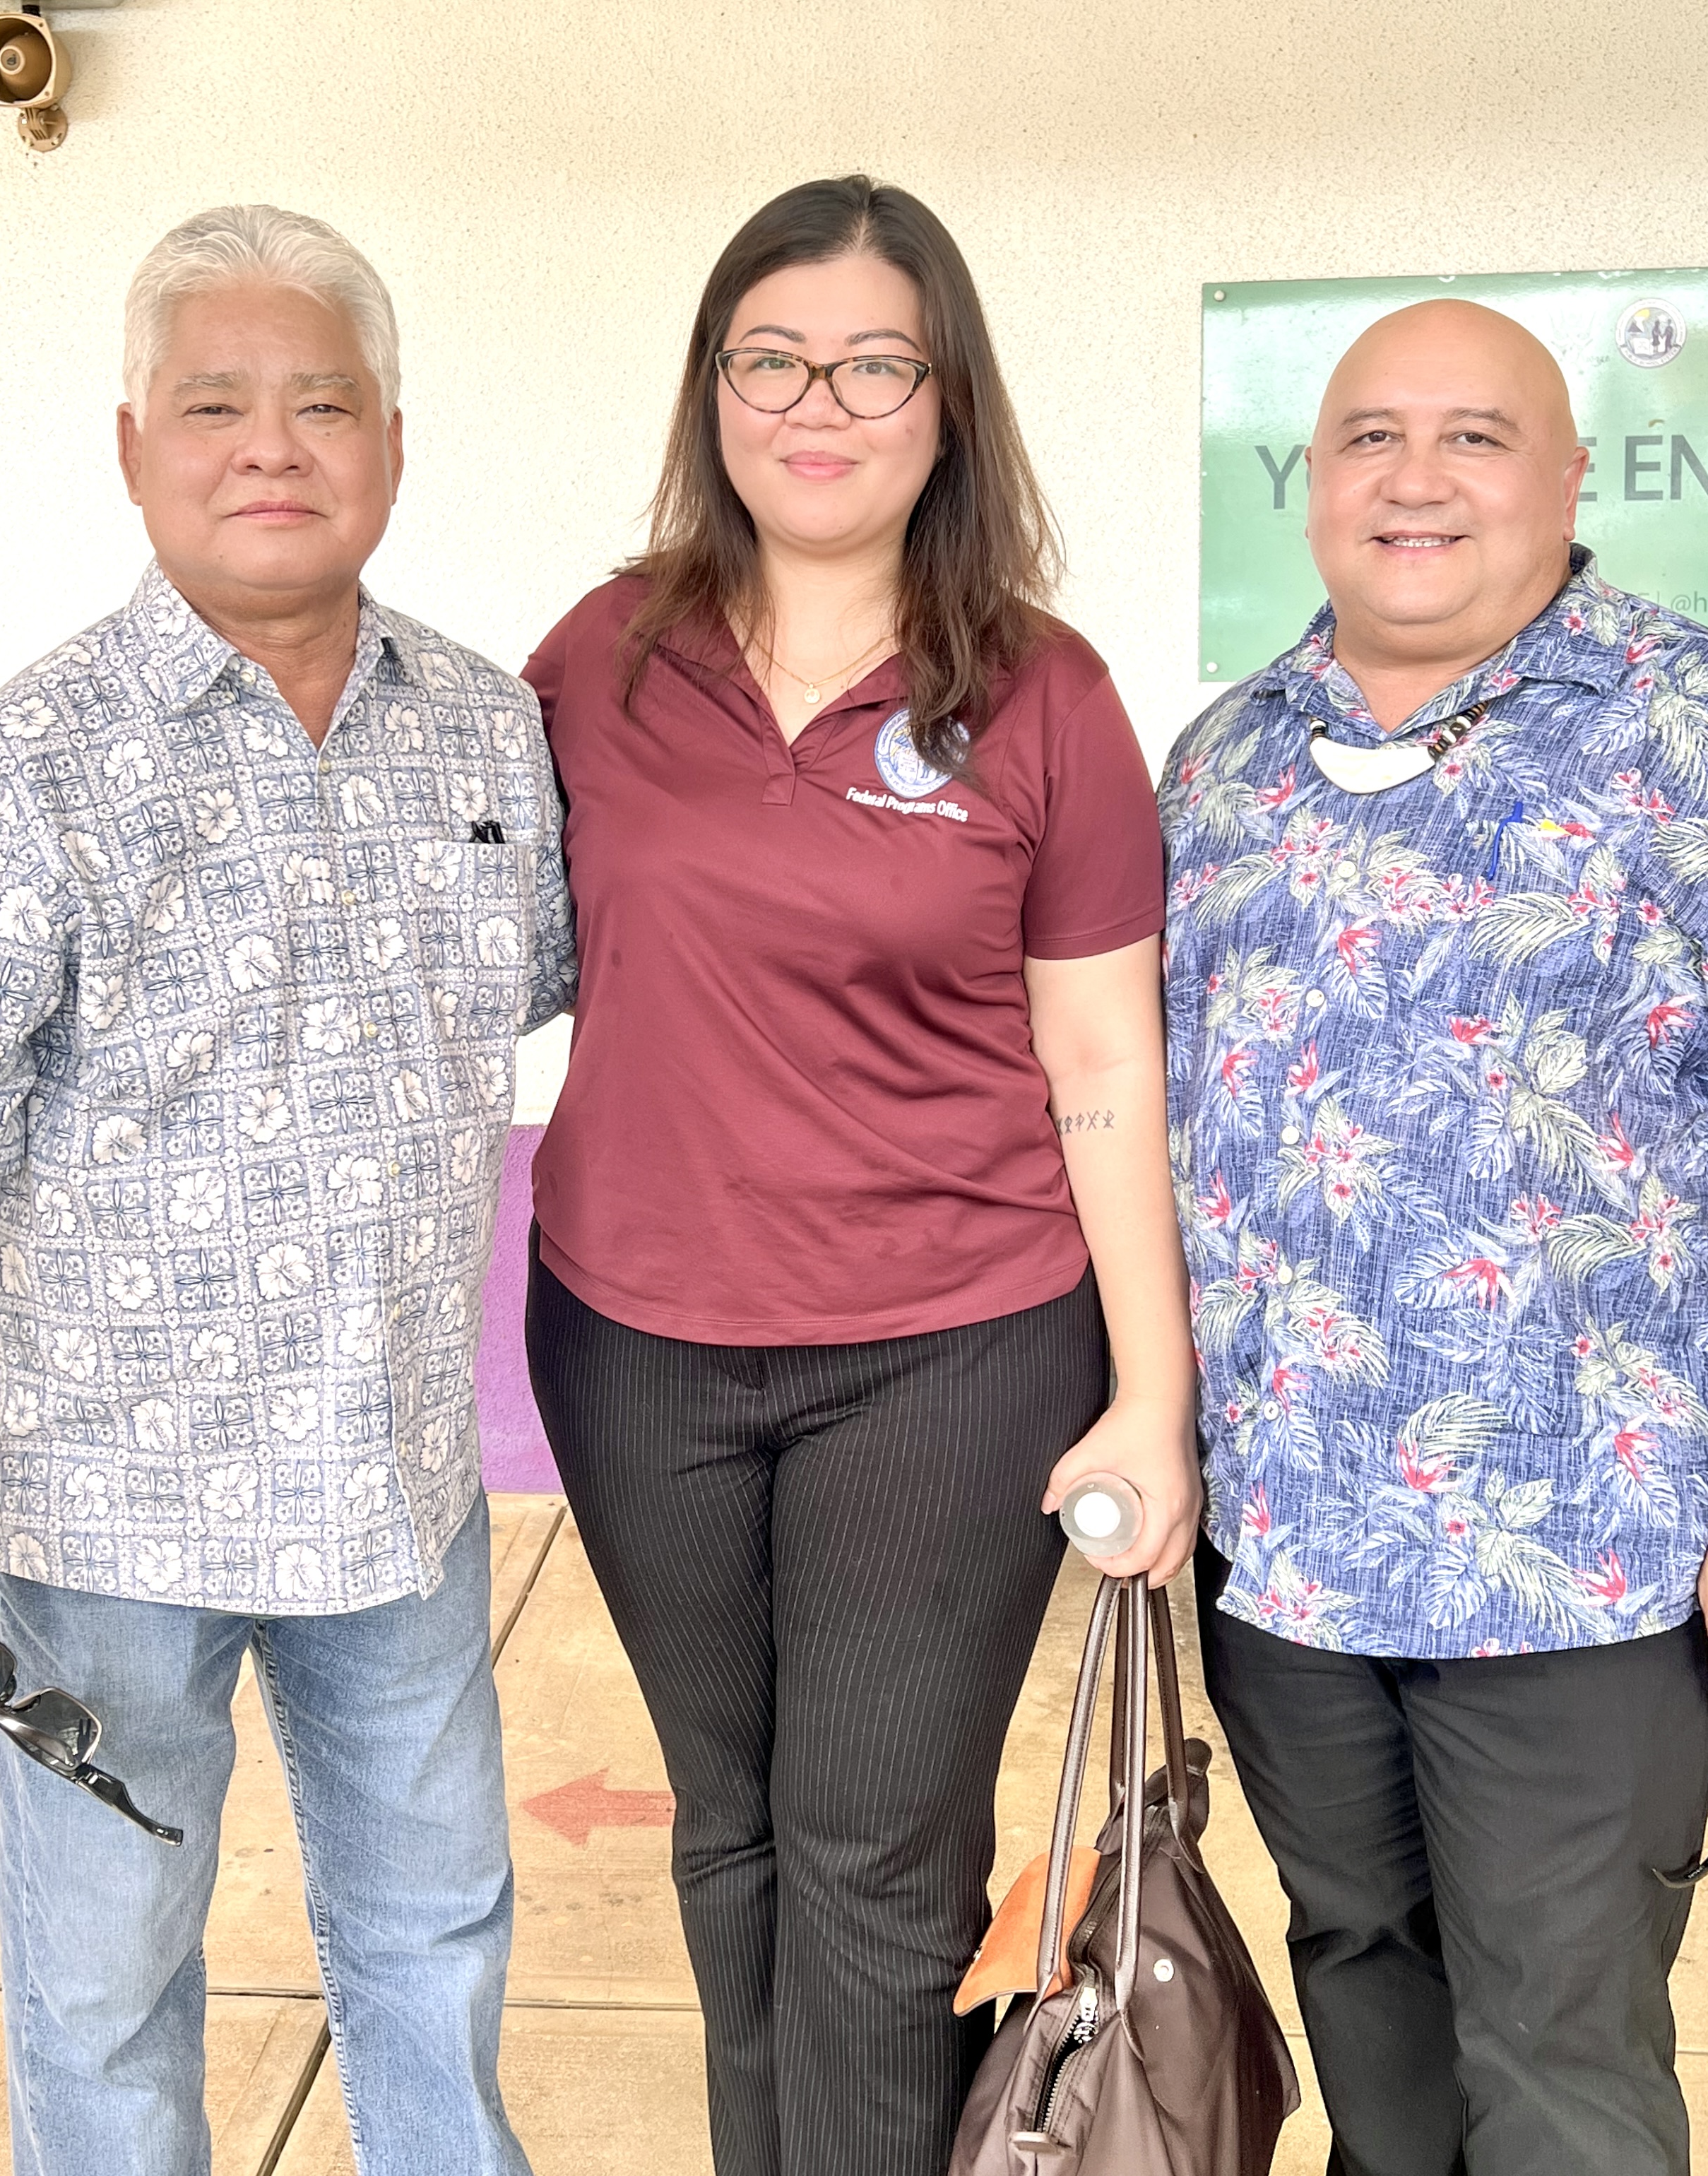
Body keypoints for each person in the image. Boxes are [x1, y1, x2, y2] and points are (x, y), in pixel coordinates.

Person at [0, 205, 574, 2176]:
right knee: (102, 2005)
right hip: (107, 1525)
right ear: (131, 450)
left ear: (393, 444)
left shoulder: (491, 726)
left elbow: (579, 988)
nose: (272, 444)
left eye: (321, 401)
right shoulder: (19, 773)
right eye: (215, 405)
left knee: (433, 1946)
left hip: (397, 1493)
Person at [521, 174, 1200, 2176]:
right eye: (773, 359)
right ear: (714, 388)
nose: (818, 404)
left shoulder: (1043, 694)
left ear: (945, 401)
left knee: (873, 1860)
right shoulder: (602, 654)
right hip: (635, 1346)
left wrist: (1148, 1396)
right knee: (727, 1836)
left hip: (950, 1354)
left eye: (872, 363)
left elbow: (1098, 1060)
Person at [1161, 298, 1708, 2173]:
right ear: (1310, 486)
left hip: (1576, 1558)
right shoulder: (1223, 760)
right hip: (1290, 1550)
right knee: (1362, 1991)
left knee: (1558, 2051)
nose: (1415, 479)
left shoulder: (1679, 727)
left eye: (1473, 437)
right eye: (1370, 438)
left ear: (1571, 477)